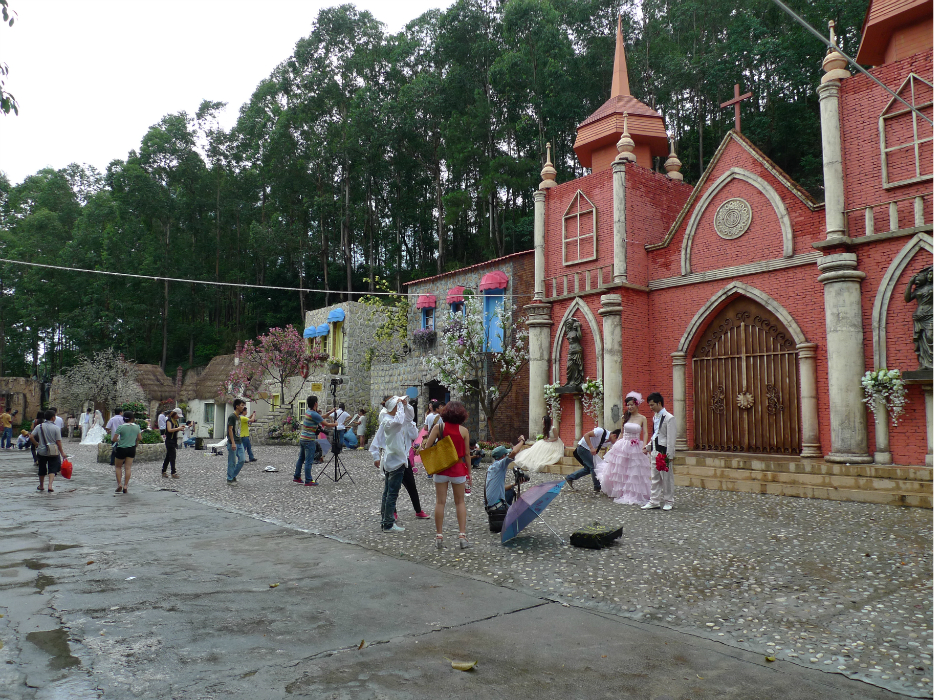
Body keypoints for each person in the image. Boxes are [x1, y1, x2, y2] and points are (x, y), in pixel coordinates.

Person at [420, 400, 472, 549]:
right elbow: (467, 454)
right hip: (458, 469)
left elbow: (427, 447)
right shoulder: (464, 431)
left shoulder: (439, 427)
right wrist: (469, 473)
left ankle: (439, 536)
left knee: (440, 502)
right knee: (460, 502)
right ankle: (462, 536)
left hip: (441, 468)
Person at [369, 396, 418, 533]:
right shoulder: (389, 421)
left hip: (393, 459)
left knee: (387, 493)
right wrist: (400, 406)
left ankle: (385, 520)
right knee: (391, 493)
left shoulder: (389, 419)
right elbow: (399, 421)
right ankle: (388, 523)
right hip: (395, 461)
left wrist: (405, 405)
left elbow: (409, 417)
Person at [595, 392, 651, 505]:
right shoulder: (624, 417)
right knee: (621, 469)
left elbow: (645, 433)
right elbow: (622, 432)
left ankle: (632, 492)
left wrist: (645, 445)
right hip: (624, 444)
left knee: (634, 470)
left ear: (637, 404)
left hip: (636, 446)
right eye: (628, 405)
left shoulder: (642, 418)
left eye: (631, 405)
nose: (629, 407)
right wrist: (615, 445)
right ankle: (620, 491)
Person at [642, 392, 677, 511]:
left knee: (666, 478)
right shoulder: (655, 417)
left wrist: (670, 455)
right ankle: (654, 501)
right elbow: (656, 434)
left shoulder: (669, 418)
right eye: (649, 405)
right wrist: (648, 447)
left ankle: (669, 501)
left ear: (659, 403)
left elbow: (671, 438)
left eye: (652, 405)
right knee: (655, 477)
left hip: (664, 451)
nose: (651, 407)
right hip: (655, 450)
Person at [292, 396, 336, 485]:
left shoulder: (308, 411)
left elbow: (320, 417)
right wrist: (335, 424)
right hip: (309, 440)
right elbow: (326, 424)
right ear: (315, 403)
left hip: (303, 438)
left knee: (301, 458)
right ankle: (308, 480)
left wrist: (330, 412)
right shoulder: (314, 414)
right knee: (309, 461)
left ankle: (297, 476)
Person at [564, 423, 611, 493]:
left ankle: (570, 477)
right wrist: (591, 447)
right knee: (593, 467)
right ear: (614, 435)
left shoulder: (609, 441)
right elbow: (586, 435)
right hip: (583, 448)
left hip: (587, 450)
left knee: (588, 469)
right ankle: (597, 487)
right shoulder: (600, 431)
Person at [484, 437, 528, 508]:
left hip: (489, 505)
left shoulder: (492, 467)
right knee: (521, 509)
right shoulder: (500, 465)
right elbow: (514, 452)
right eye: (506, 454)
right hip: (496, 506)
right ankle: (507, 512)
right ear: (503, 456)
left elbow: (501, 488)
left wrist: (515, 483)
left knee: (510, 491)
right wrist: (522, 441)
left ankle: (507, 510)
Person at [31, 410, 67, 493]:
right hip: (53, 451)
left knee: (42, 468)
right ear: (53, 418)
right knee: (53, 468)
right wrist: (62, 453)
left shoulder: (39, 426)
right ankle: (50, 485)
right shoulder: (56, 428)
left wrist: (36, 444)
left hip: (41, 451)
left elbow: (31, 436)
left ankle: (41, 485)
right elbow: (58, 441)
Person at [112, 410, 141, 494]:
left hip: (121, 448)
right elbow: (139, 438)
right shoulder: (137, 427)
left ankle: (119, 484)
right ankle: (125, 486)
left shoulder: (121, 427)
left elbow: (114, 439)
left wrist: (119, 440)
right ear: (132, 418)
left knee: (118, 467)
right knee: (128, 468)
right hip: (131, 448)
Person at [226, 399, 248, 485]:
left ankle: (233, 475)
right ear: (237, 406)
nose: (243, 407)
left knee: (242, 460)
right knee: (232, 461)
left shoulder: (239, 417)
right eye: (242, 405)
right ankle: (229, 478)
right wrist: (233, 442)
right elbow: (230, 430)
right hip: (233, 442)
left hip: (239, 441)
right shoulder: (232, 416)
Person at [162, 408, 184, 478]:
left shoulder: (175, 421)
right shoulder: (169, 420)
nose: (178, 417)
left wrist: (180, 428)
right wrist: (178, 428)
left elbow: (175, 429)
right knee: (172, 456)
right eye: (177, 415)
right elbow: (170, 430)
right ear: (174, 414)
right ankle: (173, 472)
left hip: (174, 440)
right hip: (169, 440)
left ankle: (163, 471)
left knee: (168, 457)